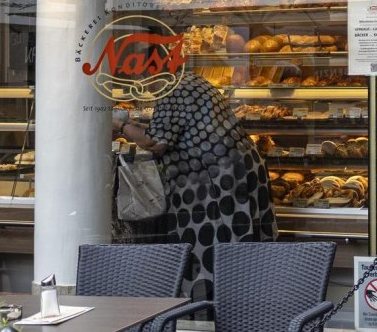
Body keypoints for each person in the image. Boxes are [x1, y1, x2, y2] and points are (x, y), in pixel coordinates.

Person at [118, 74, 276, 302]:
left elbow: (155, 143)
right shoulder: (191, 80)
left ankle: (212, 306)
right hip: (237, 169)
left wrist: (120, 125)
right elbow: (172, 126)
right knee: (240, 240)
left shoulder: (172, 91)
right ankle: (247, 302)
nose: (142, 89)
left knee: (210, 243)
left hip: (214, 178)